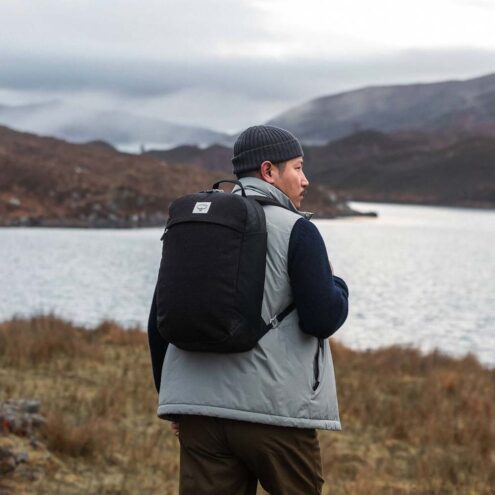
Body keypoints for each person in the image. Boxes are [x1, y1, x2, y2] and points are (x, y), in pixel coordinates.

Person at [147, 125, 349, 495]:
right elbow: (322, 317)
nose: (305, 180)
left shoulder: (194, 225)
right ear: (269, 170)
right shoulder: (297, 230)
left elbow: (161, 319)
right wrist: (340, 288)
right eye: (298, 168)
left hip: (199, 415)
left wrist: (172, 400)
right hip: (274, 416)